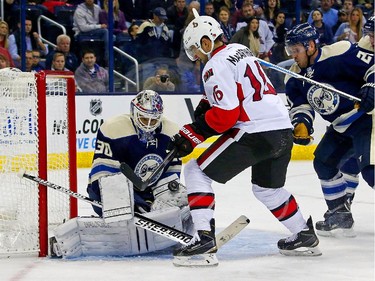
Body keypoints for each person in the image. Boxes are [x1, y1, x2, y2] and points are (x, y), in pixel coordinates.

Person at [168, 9, 321, 266]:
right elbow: (238, 91)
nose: (194, 56)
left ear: (207, 42)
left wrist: (194, 133)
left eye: (195, 49)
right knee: (267, 188)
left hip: (255, 131)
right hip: (281, 130)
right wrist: (208, 103)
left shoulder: (214, 65)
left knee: (196, 170)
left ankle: (203, 239)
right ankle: (303, 234)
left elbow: (227, 116)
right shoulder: (242, 52)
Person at [51, 90, 192, 258]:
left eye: (153, 119)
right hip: (112, 187)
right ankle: (119, 218)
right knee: (114, 196)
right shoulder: (113, 129)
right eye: (144, 118)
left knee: (181, 198)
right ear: (134, 112)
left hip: (149, 193)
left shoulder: (172, 132)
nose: (148, 124)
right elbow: (102, 173)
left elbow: (171, 174)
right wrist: (132, 203)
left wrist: (158, 203)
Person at [283, 22, 374, 237]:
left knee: (371, 171)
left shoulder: (339, 52)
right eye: (290, 51)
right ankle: (339, 214)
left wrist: (371, 86)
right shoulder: (294, 77)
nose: (293, 55)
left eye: (296, 50)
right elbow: (300, 106)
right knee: (323, 162)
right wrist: (302, 125)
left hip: (366, 119)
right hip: (341, 126)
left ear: (311, 45)